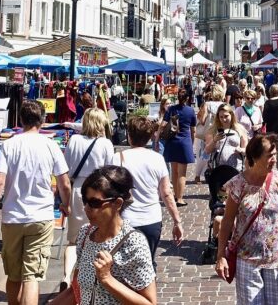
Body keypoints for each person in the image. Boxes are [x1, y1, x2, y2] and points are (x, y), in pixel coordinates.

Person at [0, 100, 72, 305]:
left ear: (21, 120)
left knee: (14, 276)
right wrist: (66, 204)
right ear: (42, 120)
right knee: (32, 276)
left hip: (13, 217)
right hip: (41, 217)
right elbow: (65, 183)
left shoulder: (9, 145)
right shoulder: (51, 145)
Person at [48, 166, 157, 305]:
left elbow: (149, 302)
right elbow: (76, 290)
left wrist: (107, 279)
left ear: (117, 203)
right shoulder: (86, 234)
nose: (86, 208)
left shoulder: (133, 243)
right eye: (85, 201)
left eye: (95, 203)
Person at [215, 135, 278, 303]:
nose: (274, 159)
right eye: (269, 156)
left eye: (275, 154)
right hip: (246, 260)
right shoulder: (238, 184)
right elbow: (227, 221)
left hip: (276, 260)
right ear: (254, 157)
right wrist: (220, 256)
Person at [115, 116, 184, 266]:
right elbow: (166, 193)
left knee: (125, 265)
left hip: (125, 219)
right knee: (148, 263)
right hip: (151, 219)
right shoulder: (157, 159)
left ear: (129, 135)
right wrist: (177, 221)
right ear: (149, 137)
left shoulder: (116, 158)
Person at [62, 108, 116, 292]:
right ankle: (91, 278)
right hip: (99, 190)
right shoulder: (105, 143)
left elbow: (66, 167)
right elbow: (110, 171)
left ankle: (66, 277)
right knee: (98, 236)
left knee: (74, 239)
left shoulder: (74, 140)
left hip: (78, 188)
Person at [162, 91, 196, 207]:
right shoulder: (190, 111)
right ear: (187, 98)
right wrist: (191, 143)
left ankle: (175, 195)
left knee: (174, 171)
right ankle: (180, 199)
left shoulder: (171, 109)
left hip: (172, 141)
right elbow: (193, 130)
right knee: (182, 173)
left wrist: (157, 137)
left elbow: (163, 124)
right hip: (184, 141)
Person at [193, 86, 225, 183]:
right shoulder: (224, 105)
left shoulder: (207, 104)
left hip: (209, 132)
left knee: (205, 154)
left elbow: (202, 120)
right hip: (220, 132)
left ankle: (197, 176)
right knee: (219, 153)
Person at [206, 103, 249, 172]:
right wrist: (214, 140)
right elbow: (207, 150)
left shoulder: (240, 128)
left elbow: (247, 150)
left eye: (226, 116)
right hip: (218, 168)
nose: (224, 119)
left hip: (236, 169)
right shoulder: (213, 129)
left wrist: (241, 150)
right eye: (221, 117)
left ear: (231, 115)